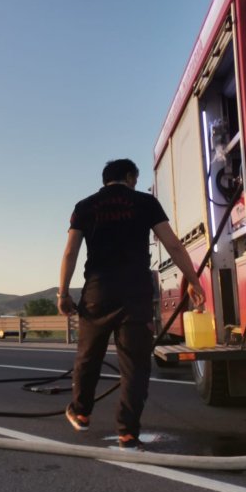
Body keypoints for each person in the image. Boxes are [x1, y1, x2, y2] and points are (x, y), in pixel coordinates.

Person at [58, 158, 206, 450]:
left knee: (88, 356)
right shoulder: (145, 203)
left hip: (98, 291)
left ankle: (81, 412)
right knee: (135, 366)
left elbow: (70, 253)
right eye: (135, 179)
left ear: (105, 180)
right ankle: (127, 432)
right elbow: (173, 244)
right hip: (135, 292)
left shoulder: (84, 206)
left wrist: (63, 293)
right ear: (129, 177)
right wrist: (193, 280)